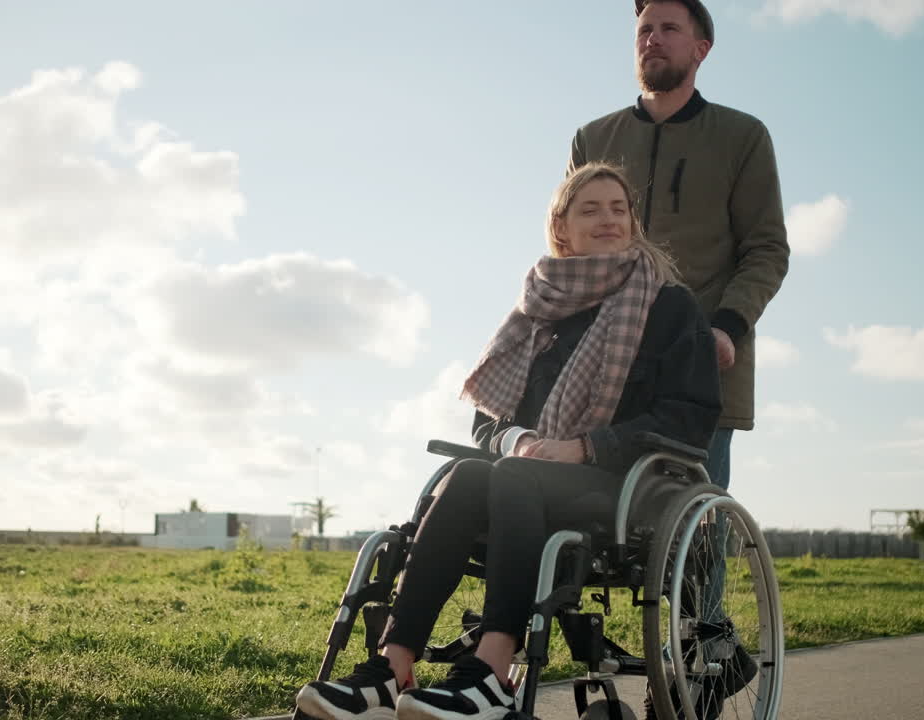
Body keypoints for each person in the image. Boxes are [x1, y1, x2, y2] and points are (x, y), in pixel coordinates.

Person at [295, 162, 721, 720]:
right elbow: (488, 422)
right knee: (470, 473)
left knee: (512, 477)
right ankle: (390, 666)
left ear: (633, 222)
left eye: (619, 209)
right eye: (590, 209)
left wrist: (587, 447)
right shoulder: (540, 310)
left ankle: (494, 672)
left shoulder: (669, 307)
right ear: (561, 226)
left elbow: (689, 418)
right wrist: (519, 439)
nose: (608, 219)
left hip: (625, 484)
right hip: (529, 473)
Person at [568, 2, 789, 716]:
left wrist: (727, 326)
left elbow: (766, 248)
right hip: (604, 370)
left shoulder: (742, 138)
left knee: (690, 543)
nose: (650, 37)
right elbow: (569, 242)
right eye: (642, 27)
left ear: (701, 46)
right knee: (585, 530)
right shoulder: (595, 136)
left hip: (701, 370)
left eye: (666, 27)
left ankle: (697, 673)